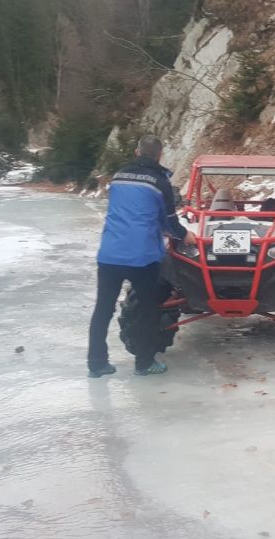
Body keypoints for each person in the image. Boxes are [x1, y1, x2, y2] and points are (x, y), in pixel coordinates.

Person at [87, 134, 197, 378]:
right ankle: (144, 362)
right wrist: (184, 235)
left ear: (137, 152)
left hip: (110, 254)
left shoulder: (118, 177)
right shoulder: (159, 182)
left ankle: (96, 363)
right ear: (159, 155)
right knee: (149, 309)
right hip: (142, 256)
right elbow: (168, 221)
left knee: (102, 308)